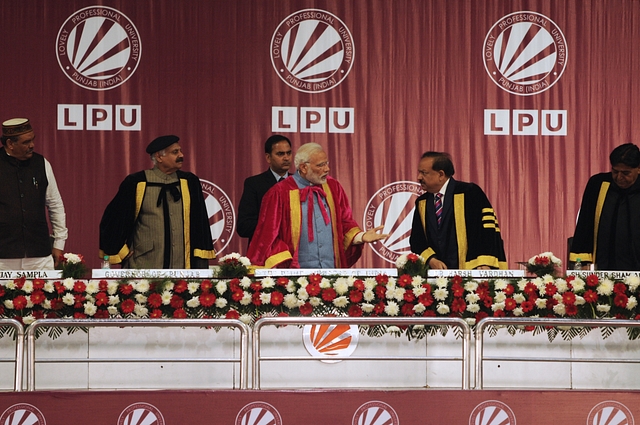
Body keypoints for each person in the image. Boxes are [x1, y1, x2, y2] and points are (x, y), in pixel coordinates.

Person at [246, 142, 387, 268]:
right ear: (303, 167)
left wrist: (361, 237)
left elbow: (345, 223)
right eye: (321, 165)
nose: (327, 169)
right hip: (295, 279)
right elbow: (268, 236)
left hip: (331, 275)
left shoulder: (333, 187)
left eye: (326, 163)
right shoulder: (279, 193)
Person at [99, 135, 216, 269]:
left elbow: (200, 225)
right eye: (175, 152)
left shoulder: (189, 182)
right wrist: (121, 251)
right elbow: (113, 218)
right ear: (159, 157)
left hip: (182, 267)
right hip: (143, 265)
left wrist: (200, 262)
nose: (181, 155)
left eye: (180, 151)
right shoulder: (137, 182)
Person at [409, 151, 507, 270]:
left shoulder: (470, 192)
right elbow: (417, 239)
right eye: (419, 172)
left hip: (470, 271)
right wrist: (431, 259)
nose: (419, 177)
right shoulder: (422, 202)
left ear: (441, 174)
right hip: (435, 277)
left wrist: (483, 262)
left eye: (424, 173)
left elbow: (487, 231)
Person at [0, 118, 68, 270]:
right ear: (10, 144)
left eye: (32, 140)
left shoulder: (42, 163)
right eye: (26, 142)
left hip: (39, 256)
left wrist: (59, 243)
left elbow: (55, 204)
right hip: (3, 257)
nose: (32, 145)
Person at [570, 143, 640, 270]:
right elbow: (585, 224)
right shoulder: (598, 184)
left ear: (638, 169)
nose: (619, 177)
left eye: (625, 173)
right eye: (615, 171)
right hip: (602, 266)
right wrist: (582, 262)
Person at [237, 135, 292, 244]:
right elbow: (244, 226)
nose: (286, 158)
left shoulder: (300, 184)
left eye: (288, 153)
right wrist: (277, 227)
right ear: (268, 157)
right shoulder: (254, 184)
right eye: (280, 154)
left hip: (295, 254)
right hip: (264, 253)